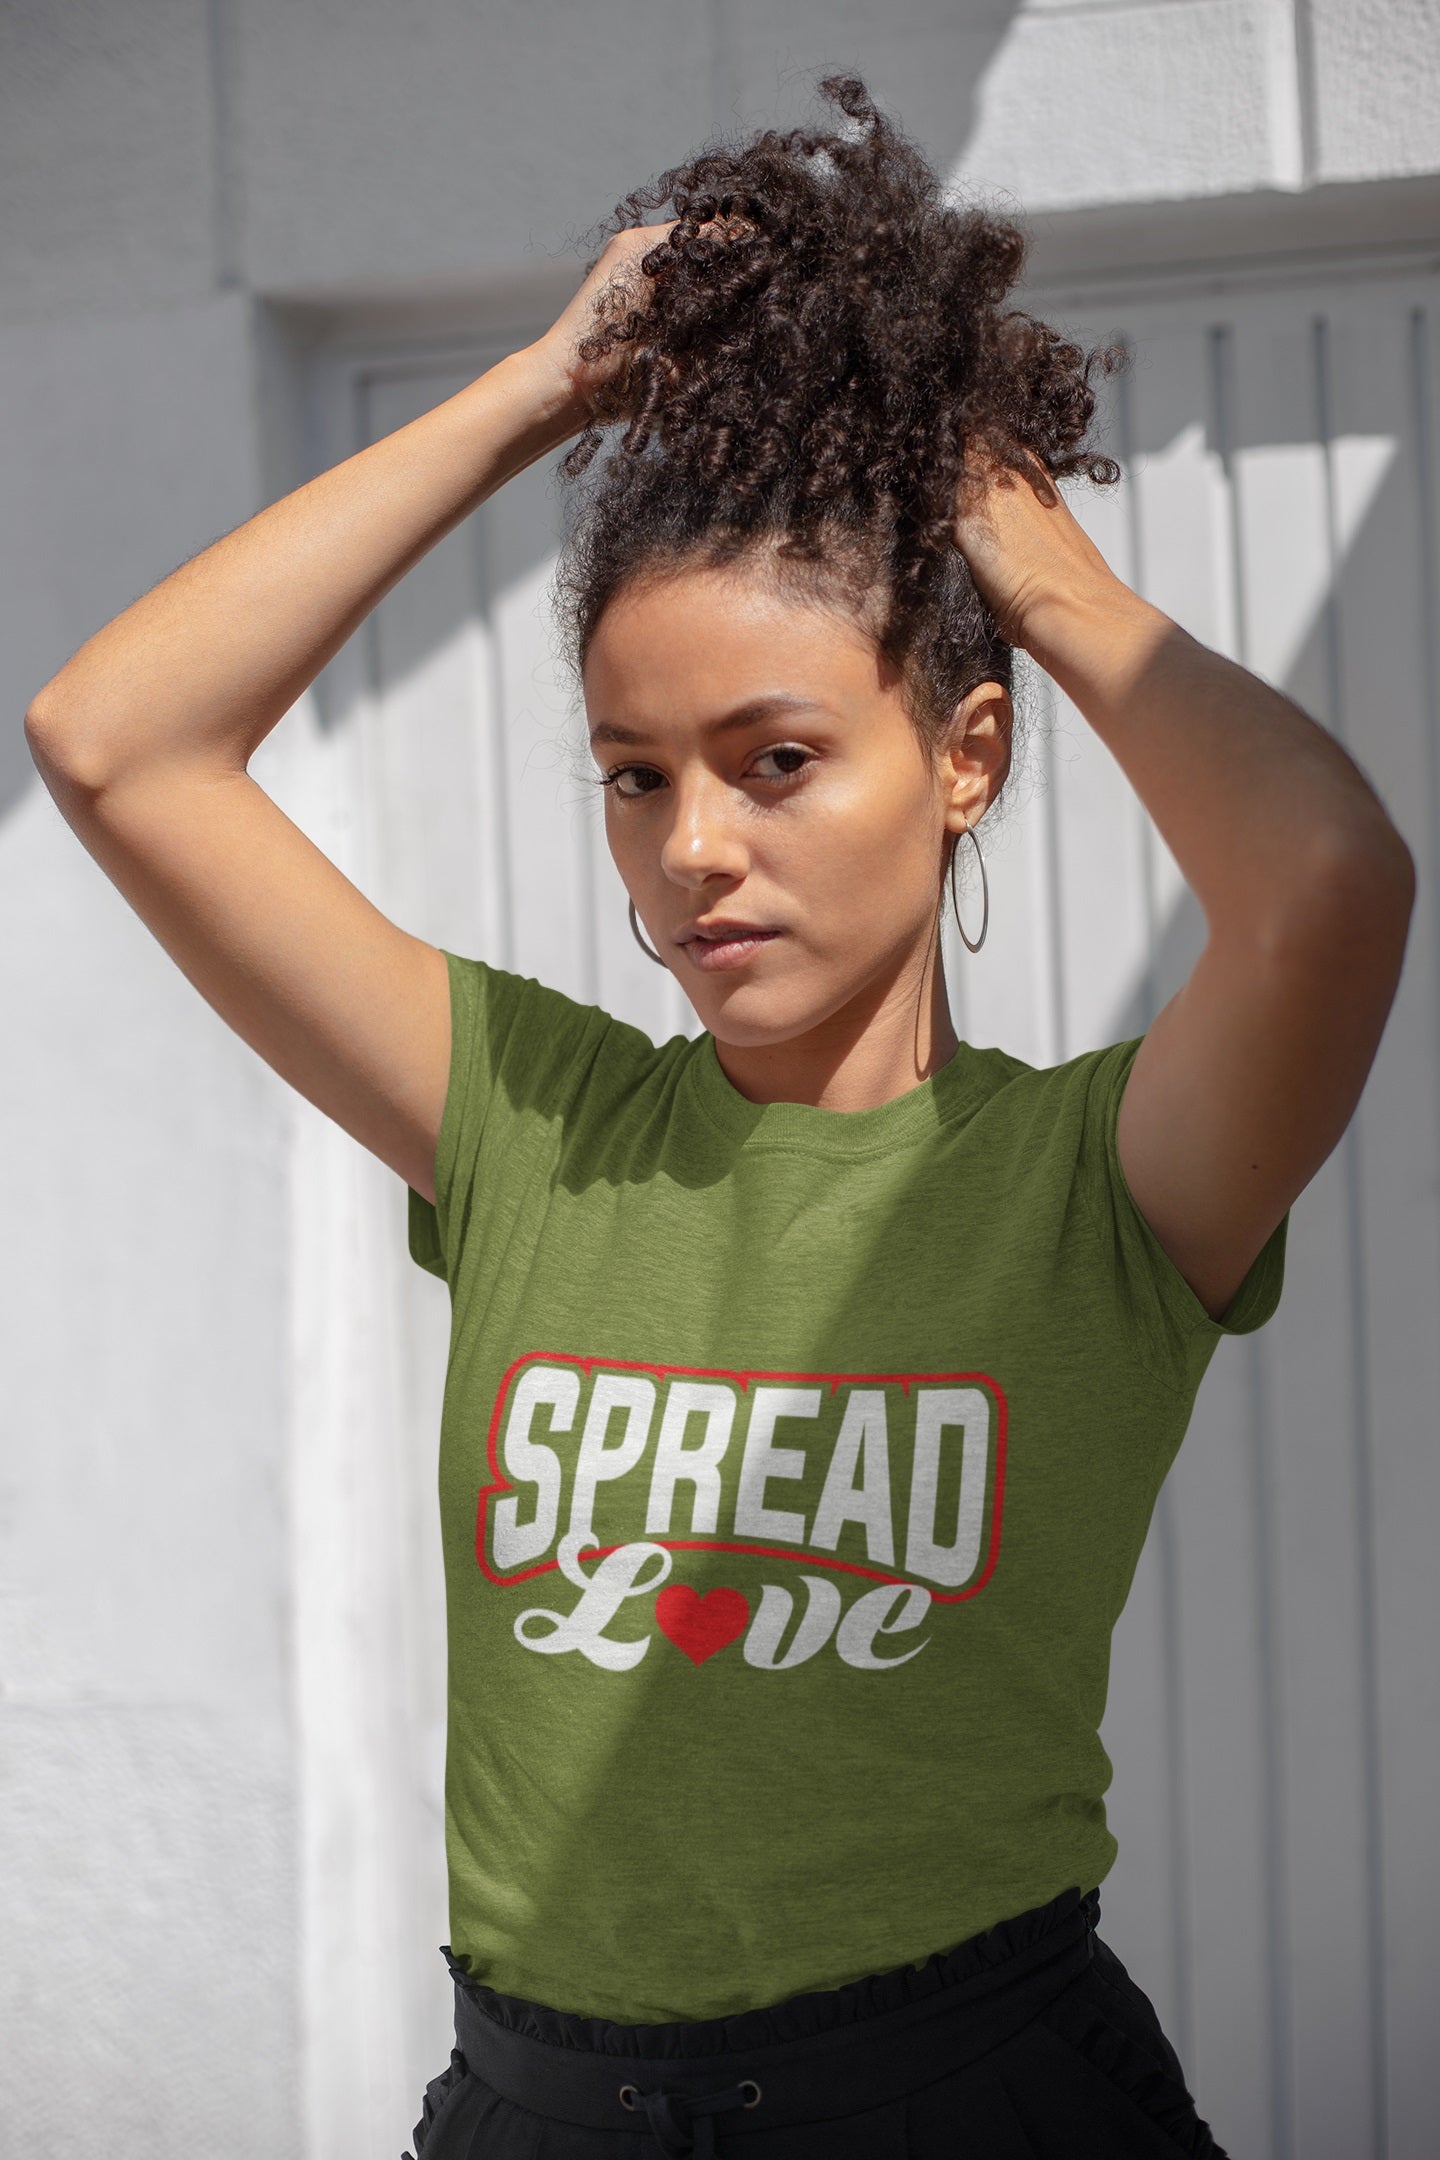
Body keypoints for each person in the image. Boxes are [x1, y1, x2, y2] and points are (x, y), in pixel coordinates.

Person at [25, 69, 1414, 2160]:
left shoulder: (1096, 1185)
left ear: (962, 757)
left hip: (965, 2101)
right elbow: (115, 742)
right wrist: (537, 393)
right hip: (533, 2109)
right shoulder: (530, 1124)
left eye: (774, 759)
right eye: (633, 772)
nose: (693, 848)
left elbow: (1331, 884)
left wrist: (1037, 575)